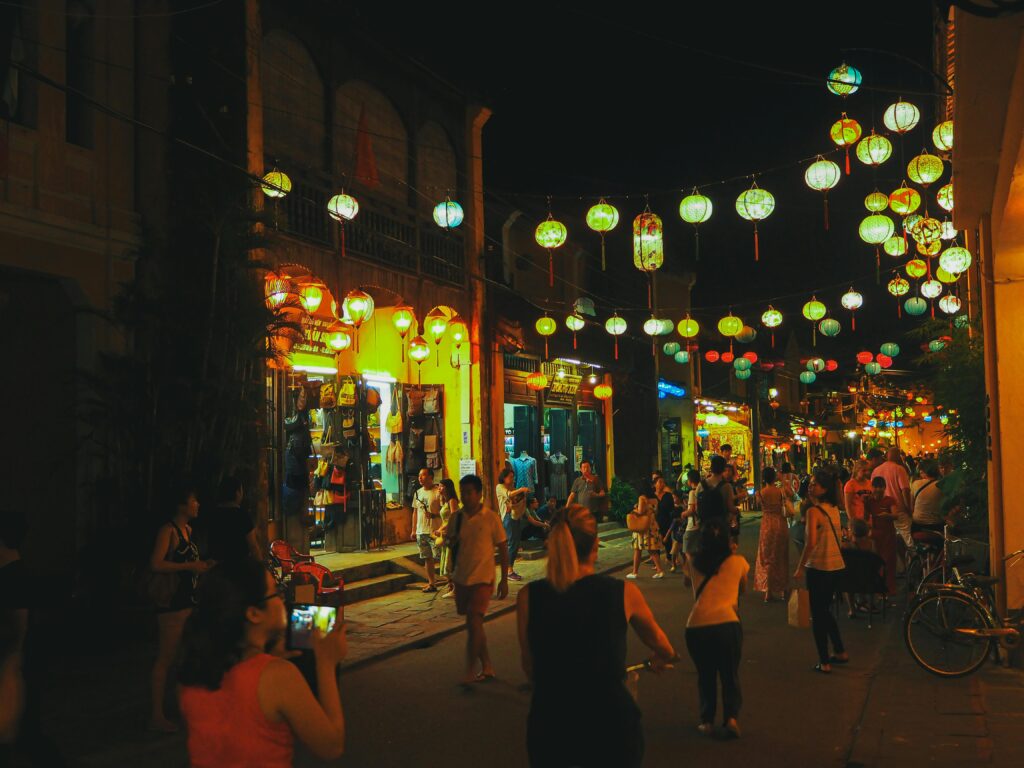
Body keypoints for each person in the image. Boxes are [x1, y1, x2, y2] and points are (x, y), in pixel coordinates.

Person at [516, 505, 676, 767]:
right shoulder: (623, 593)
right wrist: (659, 658)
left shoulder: (529, 597)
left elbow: (530, 667)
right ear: (596, 544)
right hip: (610, 725)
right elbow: (664, 646)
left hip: (551, 726)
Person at [178, 558, 346, 765]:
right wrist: (326, 663)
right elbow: (331, 745)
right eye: (275, 591)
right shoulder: (278, 676)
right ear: (254, 613)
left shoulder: (195, 668)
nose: (282, 598)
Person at [148, 482, 213, 732]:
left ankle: (182, 709)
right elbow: (155, 563)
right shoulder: (169, 531)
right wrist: (188, 567)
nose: (198, 505)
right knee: (166, 658)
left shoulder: (188, 529)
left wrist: (203, 566)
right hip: (172, 603)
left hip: (188, 601)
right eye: (193, 501)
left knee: (183, 658)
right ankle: (157, 715)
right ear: (181, 505)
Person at [686, 518, 749, 739]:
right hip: (727, 623)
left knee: (706, 675)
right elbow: (742, 589)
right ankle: (731, 718)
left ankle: (706, 721)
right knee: (729, 674)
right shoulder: (738, 562)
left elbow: (691, 587)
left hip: (697, 625)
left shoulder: (693, 562)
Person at [450, 474, 508, 685]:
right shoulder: (455, 518)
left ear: (478, 494)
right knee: (474, 624)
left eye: (469, 492)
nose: (465, 497)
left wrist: (504, 578)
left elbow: (502, 546)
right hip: (462, 577)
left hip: (483, 577)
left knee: (474, 620)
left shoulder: (490, 517)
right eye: (462, 492)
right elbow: (451, 544)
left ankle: (469, 670)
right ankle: (488, 666)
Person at [795, 469, 849, 673]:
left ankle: (824, 661)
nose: (811, 485)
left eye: (816, 484)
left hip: (818, 567)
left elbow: (810, 543)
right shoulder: (832, 509)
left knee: (818, 615)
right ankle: (840, 651)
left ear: (824, 489)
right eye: (810, 482)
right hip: (835, 567)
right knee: (824, 610)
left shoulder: (813, 512)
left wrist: (800, 567)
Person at [195, 475, 259, 565]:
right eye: (241, 490)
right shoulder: (242, 515)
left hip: (215, 567)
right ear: (237, 493)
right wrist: (260, 568)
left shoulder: (212, 513)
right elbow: (253, 545)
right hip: (239, 566)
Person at [754, 467, 790, 603]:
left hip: (767, 526)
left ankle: (767, 591)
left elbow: (759, 505)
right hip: (780, 524)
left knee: (767, 557)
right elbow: (792, 494)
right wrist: (783, 481)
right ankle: (783, 590)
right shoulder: (781, 491)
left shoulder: (760, 493)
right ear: (774, 477)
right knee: (781, 556)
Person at [872, 447, 913, 551]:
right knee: (906, 537)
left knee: (887, 539)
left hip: (882, 510)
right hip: (899, 509)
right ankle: (910, 561)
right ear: (898, 456)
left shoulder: (876, 470)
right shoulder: (899, 469)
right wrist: (908, 508)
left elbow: (872, 491)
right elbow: (905, 490)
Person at [864, 477, 898, 596]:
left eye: (881, 487)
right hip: (875, 535)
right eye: (875, 487)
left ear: (884, 488)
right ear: (872, 487)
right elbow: (865, 517)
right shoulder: (869, 501)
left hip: (888, 535)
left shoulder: (889, 500)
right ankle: (878, 588)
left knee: (889, 563)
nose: (878, 489)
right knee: (876, 562)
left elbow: (895, 515)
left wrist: (887, 515)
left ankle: (890, 588)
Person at [496, 467, 531, 582]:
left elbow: (515, 498)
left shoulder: (511, 487)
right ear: (504, 477)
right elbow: (510, 495)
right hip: (507, 517)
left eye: (513, 477)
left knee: (515, 543)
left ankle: (510, 569)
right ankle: (508, 571)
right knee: (512, 543)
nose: (512, 479)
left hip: (515, 516)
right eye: (510, 477)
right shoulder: (500, 487)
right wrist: (521, 490)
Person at [411, 468, 444, 592]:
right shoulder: (418, 493)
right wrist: (414, 530)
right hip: (421, 531)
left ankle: (452, 582)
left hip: (435, 531)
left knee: (441, 557)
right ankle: (432, 583)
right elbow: (415, 512)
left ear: (431, 477)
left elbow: (445, 512)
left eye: (423, 475)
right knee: (427, 558)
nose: (420, 478)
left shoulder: (438, 492)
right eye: (419, 475)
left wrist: (434, 515)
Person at [626, 488, 665, 580]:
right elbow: (656, 511)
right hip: (652, 525)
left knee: (638, 549)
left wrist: (634, 510)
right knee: (651, 550)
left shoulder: (642, 498)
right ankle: (659, 570)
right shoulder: (654, 499)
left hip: (643, 527)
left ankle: (635, 572)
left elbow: (640, 512)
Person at [436, 479, 460, 598]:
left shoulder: (452, 501)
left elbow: (453, 517)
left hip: (452, 534)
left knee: (451, 561)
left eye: (441, 486)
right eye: (439, 486)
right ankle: (451, 587)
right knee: (446, 560)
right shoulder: (445, 501)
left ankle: (456, 589)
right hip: (445, 533)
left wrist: (442, 529)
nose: (439, 489)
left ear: (447, 487)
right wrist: (440, 529)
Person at [911, 460, 946, 533]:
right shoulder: (942, 484)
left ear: (923, 471)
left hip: (917, 525)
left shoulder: (915, 484)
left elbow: (911, 505)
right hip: (936, 525)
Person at [843, 461, 873, 529]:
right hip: (857, 521)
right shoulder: (850, 484)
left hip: (869, 520)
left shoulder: (869, 483)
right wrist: (852, 521)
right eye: (864, 470)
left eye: (868, 470)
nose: (867, 473)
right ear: (857, 470)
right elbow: (848, 505)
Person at [652, 473, 676, 559]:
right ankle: (657, 562)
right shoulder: (652, 496)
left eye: (663, 482)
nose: (662, 484)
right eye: (660, 482)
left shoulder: (668, 496)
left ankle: (669, 558)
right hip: (655, 522)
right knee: (655, 542)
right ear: (655, 484)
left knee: (667, 541)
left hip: (666, 521)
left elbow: (672, 509)